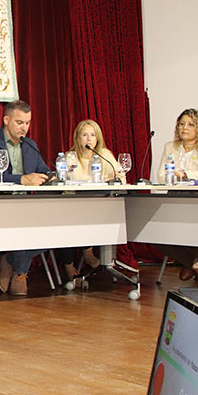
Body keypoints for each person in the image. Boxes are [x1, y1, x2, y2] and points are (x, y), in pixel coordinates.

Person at [0, 100, 51, 296]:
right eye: (19, 122)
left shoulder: (30, 144)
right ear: (6, 120)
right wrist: (22, 179)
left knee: (55, 225)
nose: (24, 128)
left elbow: (43, 170)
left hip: (28, 204)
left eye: (27, 123)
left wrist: (53, 176)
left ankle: (10, 260)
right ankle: (20, 272)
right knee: (21, 223)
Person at [153, 108, 198, 287]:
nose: (185, 128)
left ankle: (192, 263)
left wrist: (185, 175)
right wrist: (173, 176)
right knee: (153, 232)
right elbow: (161, 175)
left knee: (188, 228)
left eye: (191, 125)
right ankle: (196, 262)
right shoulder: (171, 146)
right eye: (182, 124)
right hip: (173, 198)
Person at [55, 119, 125, 278]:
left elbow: (120, 176)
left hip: (100, 206)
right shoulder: (71, 156)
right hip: (73, 205)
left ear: (98, 138)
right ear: (78, 138)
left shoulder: (104, 155)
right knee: (69, 221)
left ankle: (91, 253)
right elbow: (71, 179)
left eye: (92, 135)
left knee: (99, 215)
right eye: (84, 135)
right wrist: (103, 179)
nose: (89, 139)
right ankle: (70, 263)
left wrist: (114, 177)